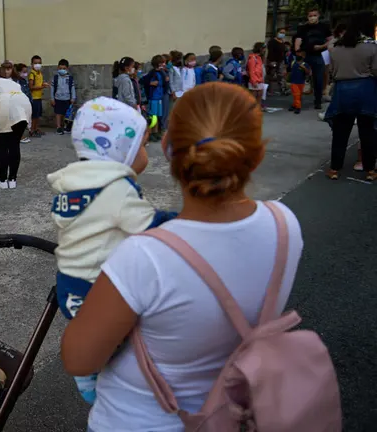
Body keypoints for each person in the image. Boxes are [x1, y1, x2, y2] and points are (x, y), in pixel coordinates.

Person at [60, 82, 304, 432]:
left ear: (167, 148)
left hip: (138, 421)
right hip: (232, 413)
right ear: (257, 155)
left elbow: (79, 358)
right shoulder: (285, 226)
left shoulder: (145, 255)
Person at [49, 96, 174, 405]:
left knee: (97, 336)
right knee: (122, 340)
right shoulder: (115, 190)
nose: (147, 152)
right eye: (142, 146)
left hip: (70, 282)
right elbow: (149, 226)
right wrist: (183, 222)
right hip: (100, 285)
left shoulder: (74, 184)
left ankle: (91, 375)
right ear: (123, 153)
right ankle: (97, 383)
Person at [323, 12, 377, 181]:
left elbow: (331, 71)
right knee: (367, 132)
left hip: (342, 91)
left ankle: (334, 168)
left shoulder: (336, 47)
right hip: (365, 90)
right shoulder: (372, 46)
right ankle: (370, 170)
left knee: (340, 132)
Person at [0, 66, 32, 189]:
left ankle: (3, 181)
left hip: (7, 104)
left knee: (3, 145)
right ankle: (12, 180)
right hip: (25, 104)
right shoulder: (12, 82)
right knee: (15, 144)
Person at [295, 7, 332, 110]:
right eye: (310, 16)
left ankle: (318, 101)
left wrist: (322, 46)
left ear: (318, 16)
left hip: (318, 55)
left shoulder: (324, 27)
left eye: (314, 15)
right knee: (298, 77)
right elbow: (298, 40)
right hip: (305, 55)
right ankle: (297, 101)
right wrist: (298, 52)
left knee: (318, 79)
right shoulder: (303, 28)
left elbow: (330, 40)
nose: (312, 18)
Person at [143, 55, 168, 141]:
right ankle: (151, 133)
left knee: (157, 116)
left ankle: (156, 132)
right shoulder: (152, 73)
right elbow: (143, 81)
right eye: (162, 63)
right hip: (153, 97)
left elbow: (165, 82)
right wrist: (150, 83)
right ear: (158, 64)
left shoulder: (162, 72)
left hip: (159, 97)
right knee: (153, 116)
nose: (164, 64)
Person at [51, 59, 77, 135]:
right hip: (57, 99)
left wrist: (73, 98)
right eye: (60, 68)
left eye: (64, 68)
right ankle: (58, 127)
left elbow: (72, 88)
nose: (62, 70)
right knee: (58, 113)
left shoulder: (70, 78)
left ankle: (66, 127)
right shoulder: (55, 78)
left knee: (67, 114)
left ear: (67, 69)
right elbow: (52, 89)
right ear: (58, 68)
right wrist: (52, 99)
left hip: (67, 99)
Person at [28, 55, 49, 138]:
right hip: (34, 98)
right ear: (32, 64)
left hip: (39, 97)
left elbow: (38, 84)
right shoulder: (32, 74)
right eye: (35, 63)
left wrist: (43, 84)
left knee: (38, 115)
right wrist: (42, 87)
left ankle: (36, 128)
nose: (37, 65)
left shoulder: (39, 73)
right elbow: (31, 87)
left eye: (39, 63)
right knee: (34, 116)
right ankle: (32, 130)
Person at [288, 49, 311, 115]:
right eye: (297, 54)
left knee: (298, 95)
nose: (298, 55)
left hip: (301, 82)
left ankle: (294, 105)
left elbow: (308, 73)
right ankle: (298, 107)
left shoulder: (305, 64)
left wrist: (304, 68)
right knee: (296, 94)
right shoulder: (293, 63)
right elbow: (289, 70)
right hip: (294, 82)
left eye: (300, 54)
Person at [267, 27, 289, 96]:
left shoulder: (282, 42)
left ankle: (283, 89)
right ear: (277, 33)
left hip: (281, 61)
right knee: (271, 75)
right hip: (273, 61)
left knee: (281, 75)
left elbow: (284, 53)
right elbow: (271, 52)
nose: (282, 34)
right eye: (281, 32)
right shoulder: (272, 42)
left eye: (284, 33)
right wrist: (271, 62)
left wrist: (285, 62)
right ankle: (268, 90)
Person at [15, 63, 33, 143]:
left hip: (26, 103)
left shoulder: (24, 81)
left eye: (26, 72)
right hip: (20, 103)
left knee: (24, 121)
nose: (25, 74)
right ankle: (20, 137)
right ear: (18, 72)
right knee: (20, 121)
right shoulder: (17, 81)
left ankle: (21, 136)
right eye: (23, 72)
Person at [247, 42, 267, 109]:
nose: (265, 50)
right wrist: (254, 81)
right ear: (260, 49)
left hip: (260, 80)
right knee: (254, 96)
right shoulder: (253, 58)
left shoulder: (259, 58)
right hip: (255, 80)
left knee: (259, 95)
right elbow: (251, 71)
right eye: (264, 48)